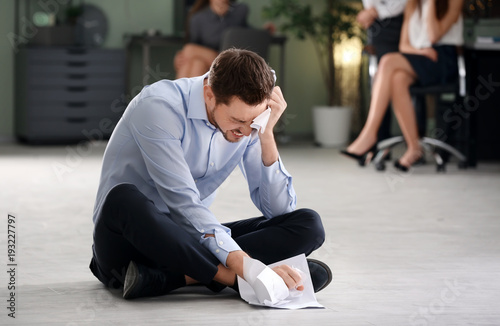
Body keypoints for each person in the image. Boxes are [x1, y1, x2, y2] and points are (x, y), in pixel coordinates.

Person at [89, 48, 332, 300]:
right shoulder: (159, 107)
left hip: (190, 240)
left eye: (254, 121)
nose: (246, 132)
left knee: (307, 225)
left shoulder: (250, 125)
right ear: (209, 95)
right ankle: (232, 280)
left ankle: (173, 278)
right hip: (127, 244)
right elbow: (184, 204)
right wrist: (250, 271)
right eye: (238, 121)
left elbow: (280, 213)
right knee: (123, 198)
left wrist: (267, 133)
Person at [342, 0, 464, 171]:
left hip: (442, 58)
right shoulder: (413, 4)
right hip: (420, 55)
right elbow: (403, 45)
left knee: (387, 61)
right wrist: (419, 51)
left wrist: (429, 3)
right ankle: (414, 147)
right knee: (397, 79)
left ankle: (370, 134)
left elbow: (434, 35)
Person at [357, 0, 408, 142]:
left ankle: (414, 143)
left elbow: (404, 3)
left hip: (402, 28)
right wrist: (372, 12)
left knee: (405, 83)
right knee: (379, 85)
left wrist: (375, 12)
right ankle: (380, 142)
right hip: (378, 30)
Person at [174, 0, 248, 79]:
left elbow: (233, 36)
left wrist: (222, 17)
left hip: (227, 58)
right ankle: (185, 91)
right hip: (208, 61)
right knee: (197, 64)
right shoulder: (198, 18)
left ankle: (176, 91)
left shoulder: (239, 10)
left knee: (188, 50)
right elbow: (195, 44)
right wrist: (180, 57)